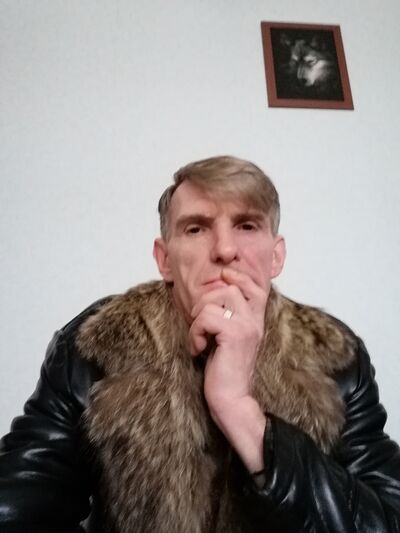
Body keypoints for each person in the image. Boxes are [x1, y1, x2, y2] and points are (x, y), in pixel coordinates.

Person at [0, 155, 399, 533]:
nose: (224, 250)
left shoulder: (335, 357)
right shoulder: (99, 344)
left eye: (247, 226)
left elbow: (386, 519)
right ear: (165, 260)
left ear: (276, 256)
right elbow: (25, 494)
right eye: (196, 228)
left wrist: (242, 414)